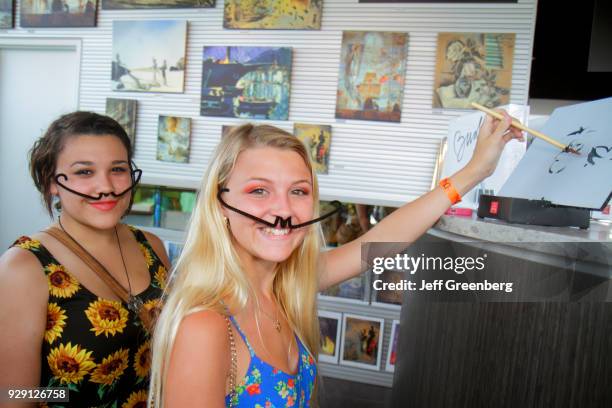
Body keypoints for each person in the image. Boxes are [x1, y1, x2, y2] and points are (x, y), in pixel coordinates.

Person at [150, 114, 523, 407]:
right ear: (220, 204)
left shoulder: (288, 285)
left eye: (298, 191)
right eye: (258, 190)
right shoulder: (206, 326)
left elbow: (377, 244)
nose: (283, 209)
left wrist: (477, 170)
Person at [0, 112, 171, 407]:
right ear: (51, 181)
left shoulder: (151, 246)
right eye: (84, 172)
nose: (106, 187)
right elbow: (12, 395)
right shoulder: (25, 267)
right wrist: (71, 396)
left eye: (117, 169)